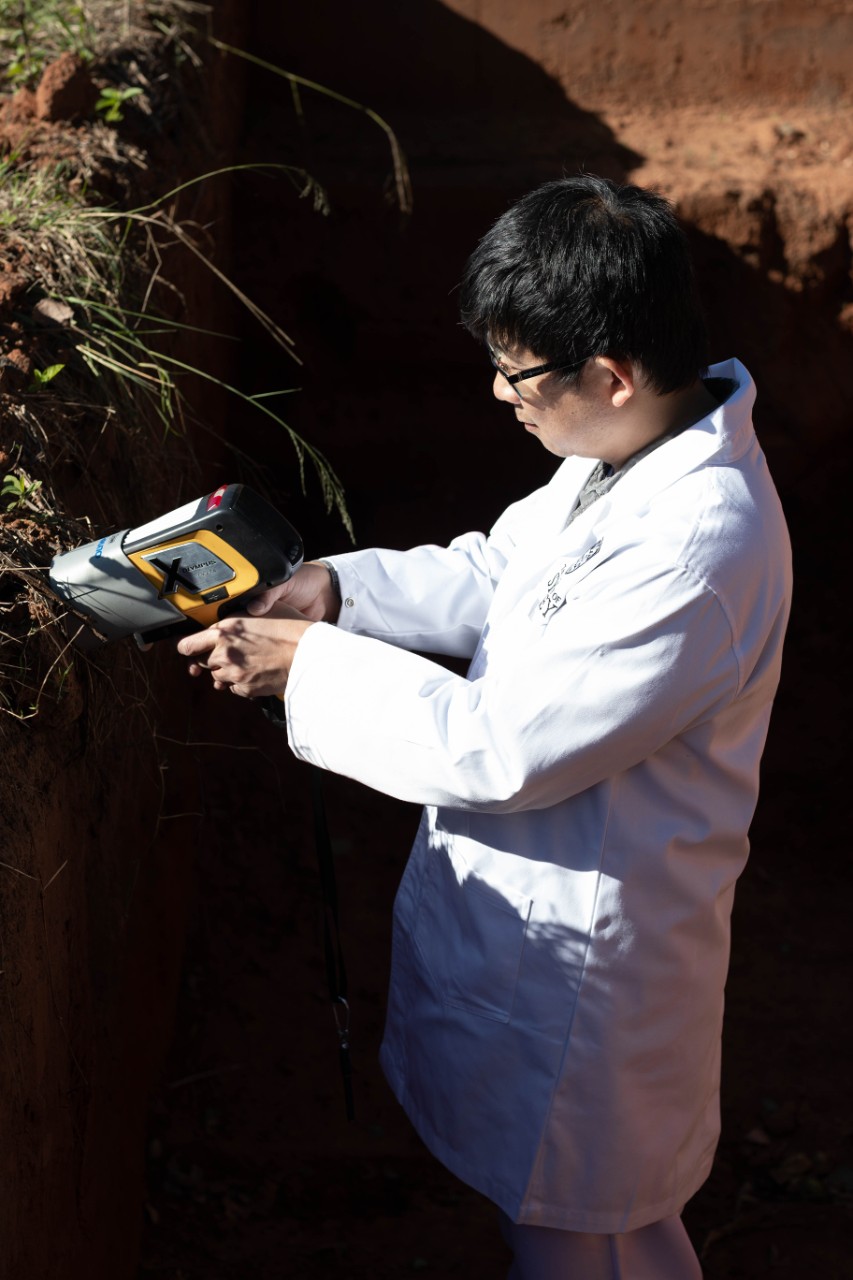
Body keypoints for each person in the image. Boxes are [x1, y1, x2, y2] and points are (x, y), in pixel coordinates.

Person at [178, 176, 792, 1279]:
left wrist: (307, 669)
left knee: (587, 1245)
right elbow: (502, 573)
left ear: (608, 374)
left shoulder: (692, 549)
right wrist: (336, 590)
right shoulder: (623, 456)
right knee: (601, 1240)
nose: (499, 393)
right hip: (536, 956)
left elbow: (498, 748)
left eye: (518, 373)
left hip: (589, 1009)